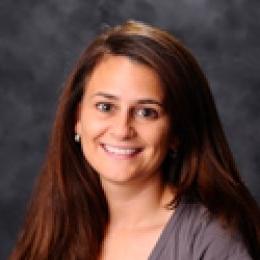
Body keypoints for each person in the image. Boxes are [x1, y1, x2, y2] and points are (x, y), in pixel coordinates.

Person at [10, 20, 259, 260]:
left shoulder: (213, 240)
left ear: (176, 133)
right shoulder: (55, 228)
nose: (121, 130)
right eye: (105, 107)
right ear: (77, 118)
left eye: (146, 112)